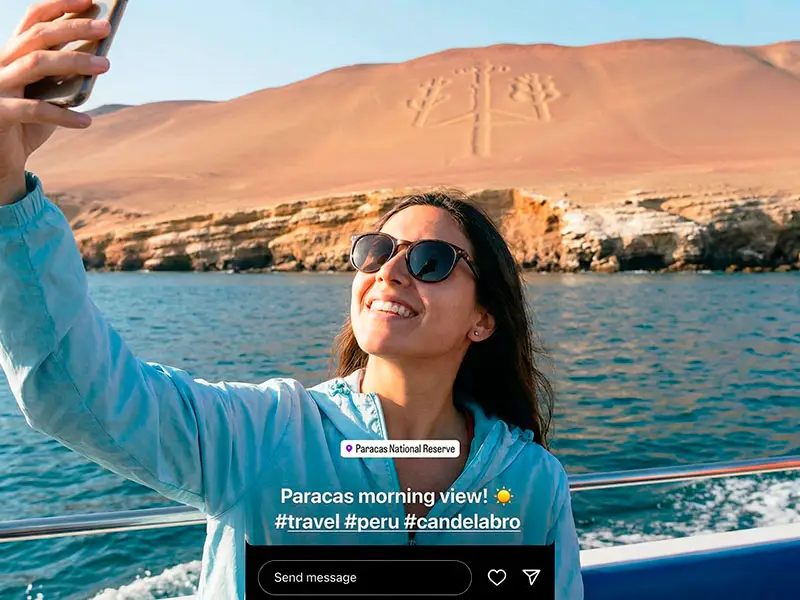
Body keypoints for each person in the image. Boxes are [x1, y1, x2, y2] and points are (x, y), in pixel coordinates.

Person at [0, 1, 584, 598]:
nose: (390, 272)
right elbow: (77, 391)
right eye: (376, 250)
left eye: (430, 262)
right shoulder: (263, 434)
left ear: (483, 319)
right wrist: (6, 190)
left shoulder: (530, 482)